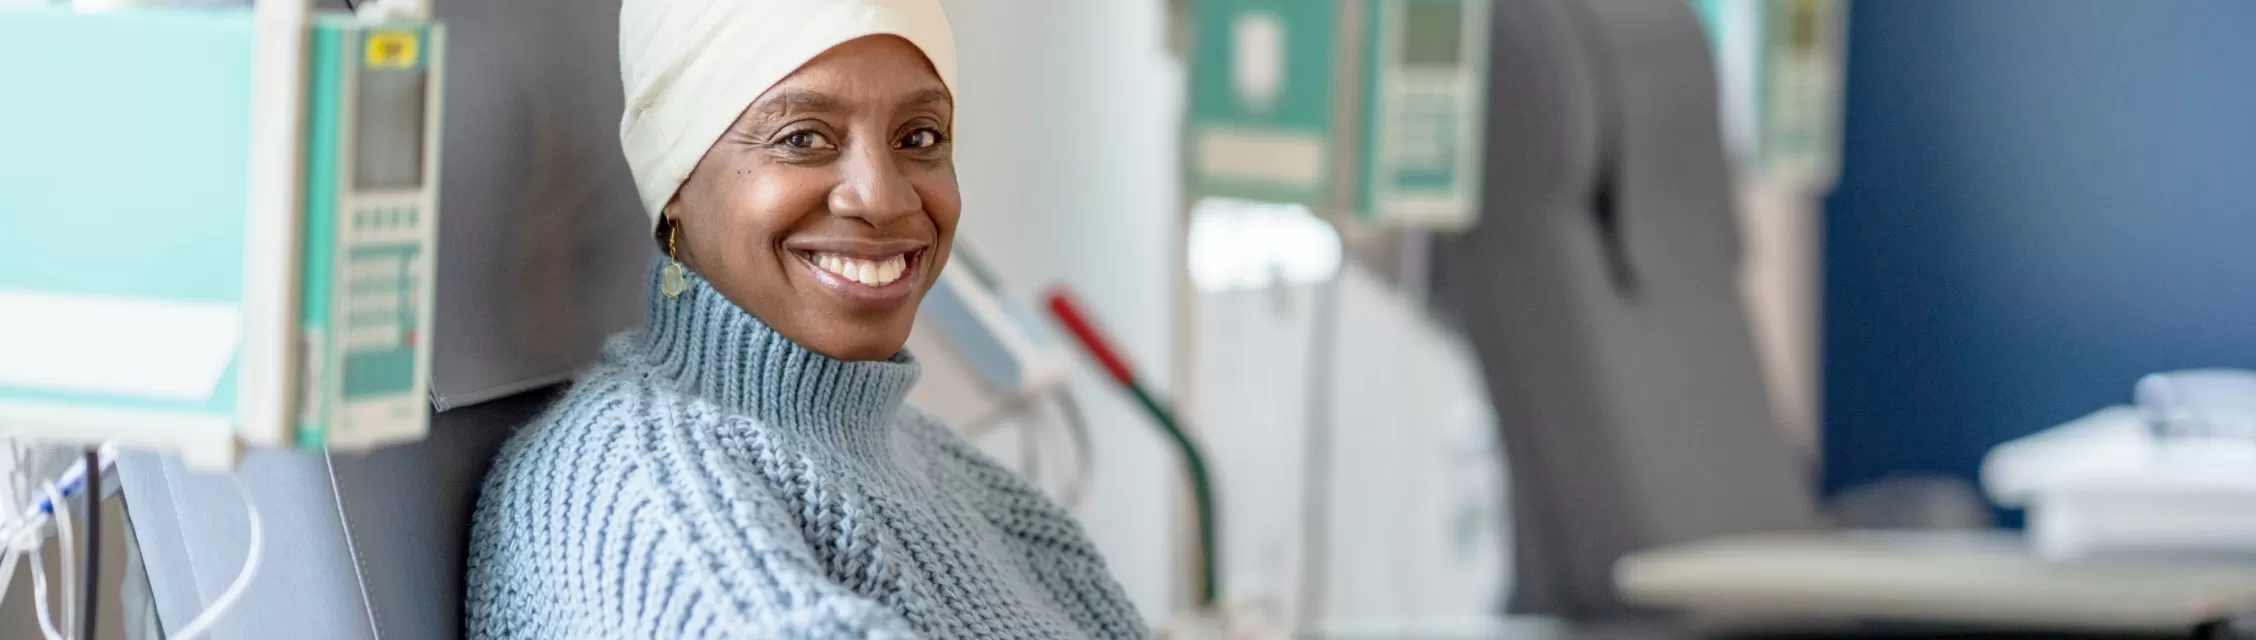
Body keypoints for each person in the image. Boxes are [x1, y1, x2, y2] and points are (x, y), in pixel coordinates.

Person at [462, 1, 1149, 637]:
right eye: (801, 138)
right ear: (673, 184)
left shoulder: (977, 492)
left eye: (918, 135)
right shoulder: (625, 488)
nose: (882, 197)